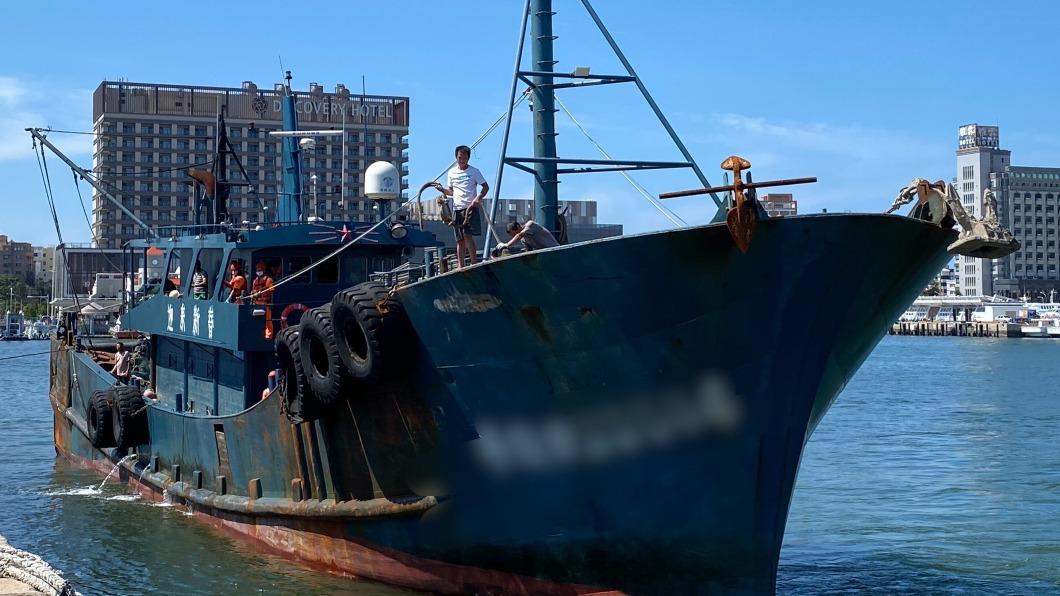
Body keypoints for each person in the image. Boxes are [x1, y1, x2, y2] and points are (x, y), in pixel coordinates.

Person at [434, 145, 489, 268]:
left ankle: (474, 263)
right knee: (459, 239)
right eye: (460, 158)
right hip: (457, 209)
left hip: (470, 208)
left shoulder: (474, 171)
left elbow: (485, 187)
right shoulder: (451, 173)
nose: (462, 160)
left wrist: (477, 199)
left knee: (467, 236)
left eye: (464, 158)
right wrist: (442, 189)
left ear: (468, 158)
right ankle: (461, 264)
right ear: (456, 157)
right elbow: (451, 192)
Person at [251, 261, 276, 339]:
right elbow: (253, 292)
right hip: (256, 303)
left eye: (260, 270)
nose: (259, 271)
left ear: (264, 270)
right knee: (256, 320)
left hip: (266, 304)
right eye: (257, 270)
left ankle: (269, 336)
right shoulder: (255, 280)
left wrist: (271, 303)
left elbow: (272, 292)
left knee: (268, 321)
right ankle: (257, 335)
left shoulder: (269, 280)